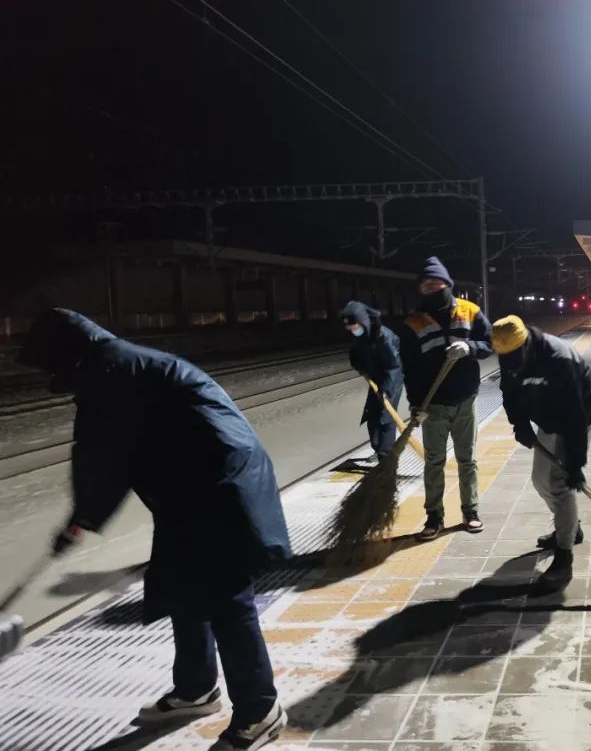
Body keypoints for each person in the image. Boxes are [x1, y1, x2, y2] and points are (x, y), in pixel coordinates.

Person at [17, 309, 291, 751]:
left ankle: (261, 711)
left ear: (68, 354)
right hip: (188, 492)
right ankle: (196, 689)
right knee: (183, 590)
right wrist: (84, 515)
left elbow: (102, 456)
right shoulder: (111, 365)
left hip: (220, 488)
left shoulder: (114, 372)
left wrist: (83, 518)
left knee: (226, 601)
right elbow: (109, 456)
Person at [492, 315, 591, 593]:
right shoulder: (509, 355)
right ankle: (570, 527)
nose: (510, 362)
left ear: (526, 343)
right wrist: (520, 425)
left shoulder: (557, 359)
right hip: (547, 419)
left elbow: (575, 416)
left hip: (578, 417)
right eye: (505, 357)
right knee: (540, 479)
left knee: (560, 485)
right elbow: (509, 393)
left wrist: (576, 464)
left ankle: (564, 557)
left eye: (516, 355)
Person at [400, 257, 493, 541]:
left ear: (447, 284)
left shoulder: (470, 311)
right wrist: (416, 406)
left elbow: (490, 343)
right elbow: (410, 368)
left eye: (436, 282)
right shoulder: (413, 322)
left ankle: (471, 512)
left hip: (465, 398)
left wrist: (469, 347)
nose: (431, 287)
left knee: (467, 460)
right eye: (425, 284)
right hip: (433, 405)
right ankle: (434, 517)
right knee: (434, 462)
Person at [341, 300, 403, 462]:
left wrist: (386, 392)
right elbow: (355, 354)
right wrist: (358, 365)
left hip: (392, 378)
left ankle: (386, 456)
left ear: (363, 321)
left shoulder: (384, 337)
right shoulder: (362, 335)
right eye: (350, 328)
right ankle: (378, 450)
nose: (352, 330)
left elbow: (393, 367)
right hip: (375, 378)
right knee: (372, 414)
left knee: (385, 416)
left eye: (354, 327)